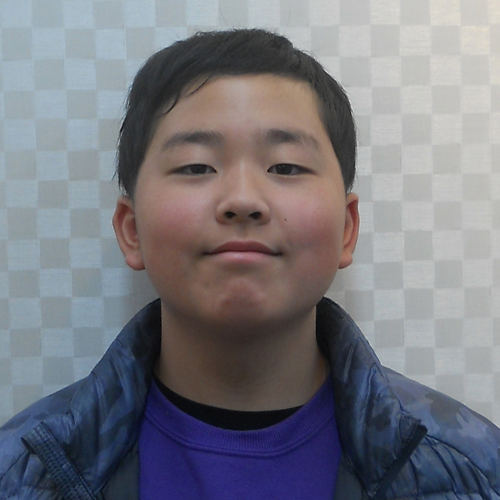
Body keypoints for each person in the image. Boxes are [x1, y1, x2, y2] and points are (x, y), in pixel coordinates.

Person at [1, 28, 499, 500]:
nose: (242, 199)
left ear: (347, 229)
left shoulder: (473, 470)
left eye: (286, 167)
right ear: (131, 229)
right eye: (196, 166)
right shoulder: (21, 472)